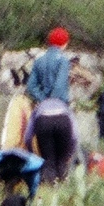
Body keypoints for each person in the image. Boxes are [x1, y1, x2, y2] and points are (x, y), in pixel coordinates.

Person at [27, 27, 80, 184]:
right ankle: (62, 187)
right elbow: (60, 84)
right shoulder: (63, 60)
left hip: (42, 117)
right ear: (65, 43)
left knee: (48, 159)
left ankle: (48, 187)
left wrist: (44, 99)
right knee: (62, 161)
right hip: (61, 114)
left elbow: (31, 87)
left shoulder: (39, 61)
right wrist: (55, 100)